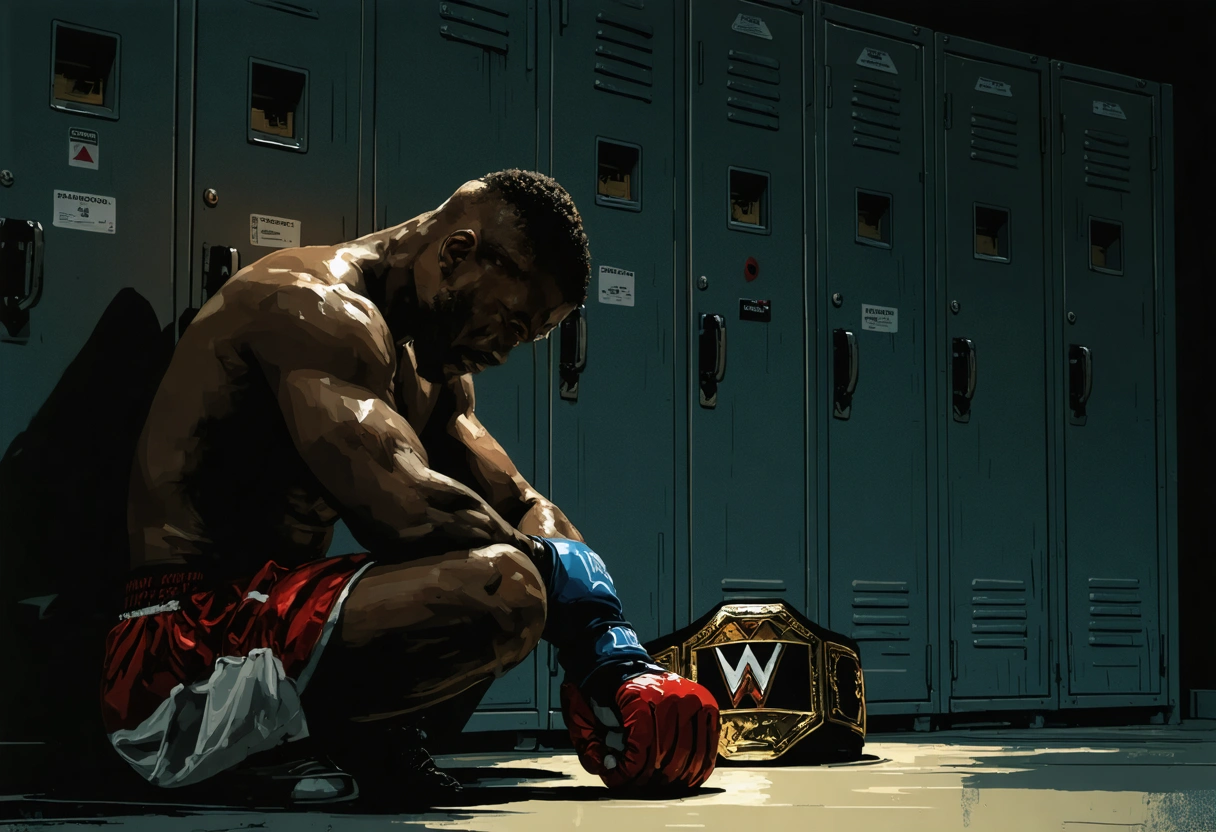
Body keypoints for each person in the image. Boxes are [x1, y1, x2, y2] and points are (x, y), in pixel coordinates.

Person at [100, 170, 720, 805]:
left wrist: (612, 654)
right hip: (178, 659)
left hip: (272, 631)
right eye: (507, 322)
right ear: (456, 253)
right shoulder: (311, 306)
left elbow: (522, 505)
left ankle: (347, 744)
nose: (504, 351)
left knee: (515, 578)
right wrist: (567, 601)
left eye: (525, 337)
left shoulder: (432, 373)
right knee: (505, 588)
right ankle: (280, 754)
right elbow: (408, 510)